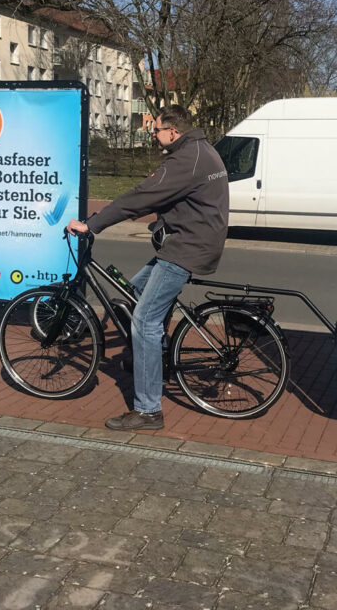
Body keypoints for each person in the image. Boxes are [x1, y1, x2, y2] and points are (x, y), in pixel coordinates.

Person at [67, 105, 229, 430]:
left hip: (186, 248)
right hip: (191, 241)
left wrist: (93, 224)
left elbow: (140, 197)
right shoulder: (199, 150)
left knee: (144, 320)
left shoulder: (186, 159)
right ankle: (153, 356)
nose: (153, 135)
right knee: (135, 293)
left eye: (156, 130)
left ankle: (148, 410)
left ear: (173, 131)